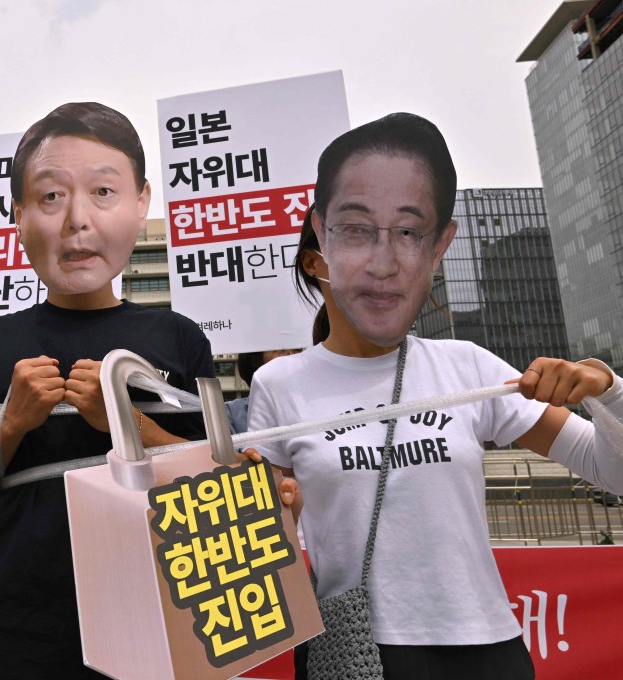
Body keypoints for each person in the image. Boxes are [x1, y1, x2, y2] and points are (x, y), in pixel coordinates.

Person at [247, 113, 623, 680]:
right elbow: (273, 557)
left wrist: (607, 391)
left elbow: (610, 470)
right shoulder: (278, 385)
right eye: (355, 230)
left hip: (485, 647)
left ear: (438, 246)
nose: (383, 262)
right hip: (356, 653)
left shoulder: (465, 366)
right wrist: (278, 515)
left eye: (407, 232)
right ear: (320, 249)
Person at [0, 102, 215, 679]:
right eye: (51, 198)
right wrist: (10, 423)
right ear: (18, 216)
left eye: (104, 193)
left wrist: (126, 425)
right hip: (5, 630)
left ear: (142, 201)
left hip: (150, 621)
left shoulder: (178, 337)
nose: (76, 221)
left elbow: (218, 487)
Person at [225, 349, 302, 434]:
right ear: (255, 359)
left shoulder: (314, 405)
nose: (290, 356)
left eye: (297, 350)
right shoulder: (231, 413)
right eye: (281, 350)